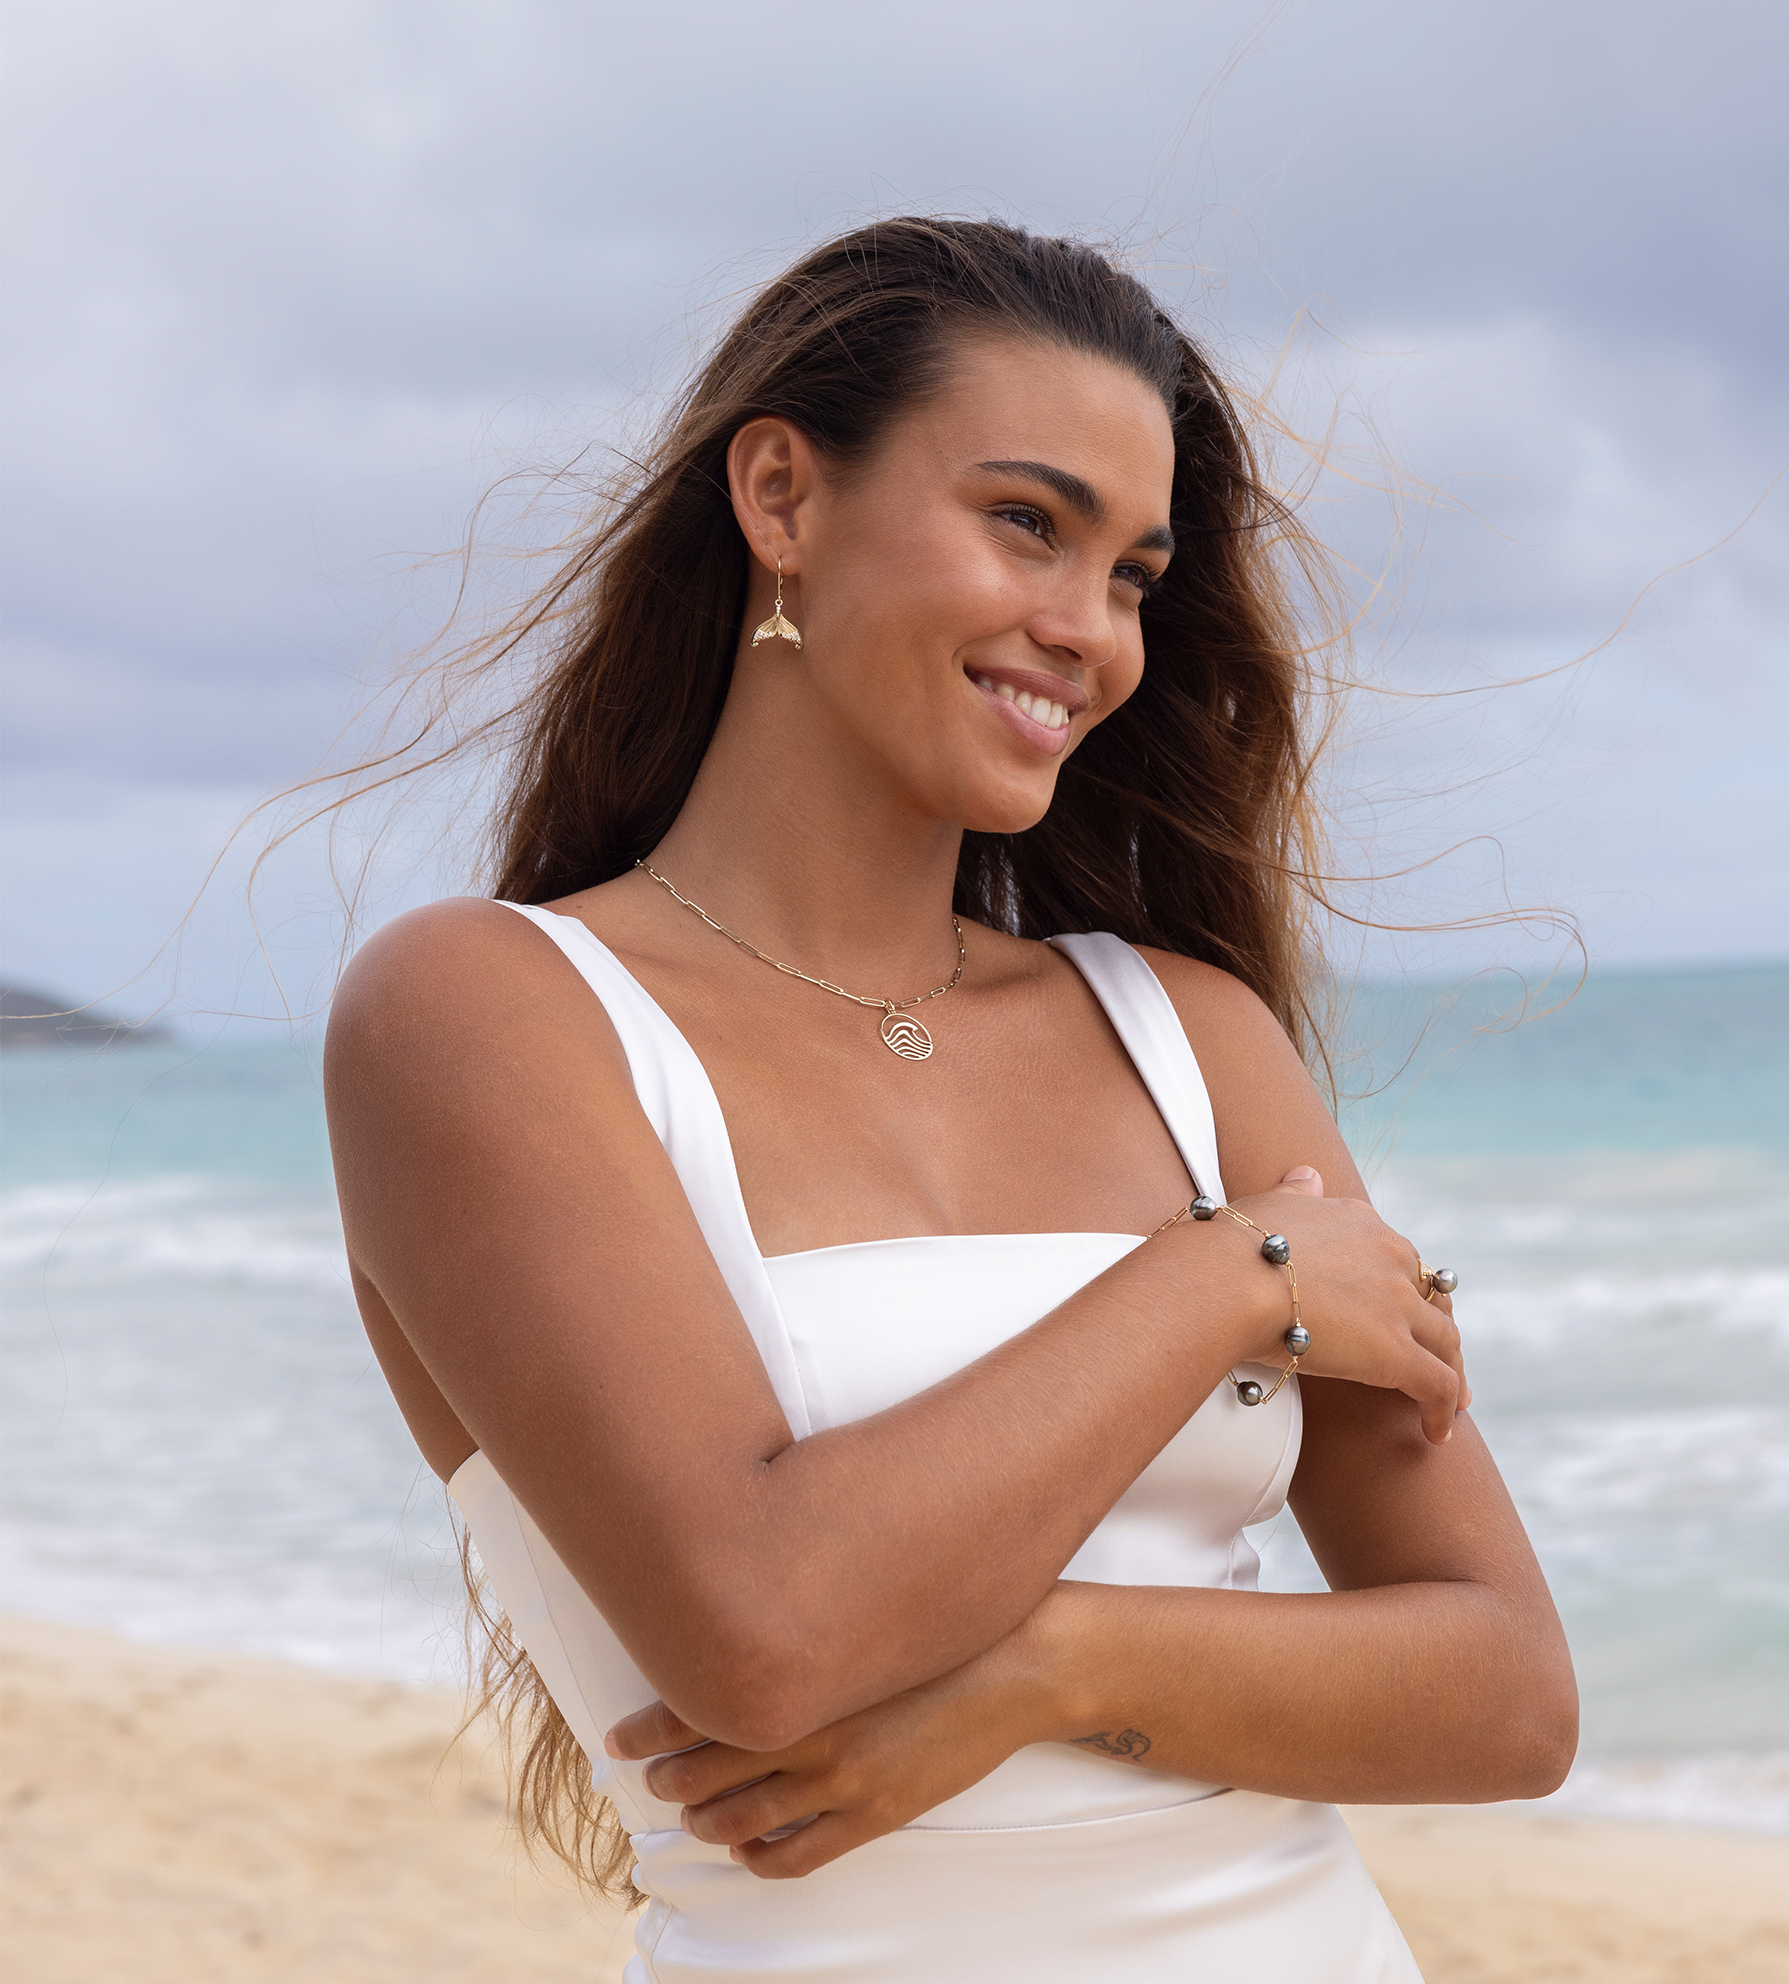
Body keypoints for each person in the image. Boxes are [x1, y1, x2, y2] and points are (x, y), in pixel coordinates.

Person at [323, 217, 1577, 1982]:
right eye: (1026, 523)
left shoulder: (1189, 1037)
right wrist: (1230, 1280)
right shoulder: (488, 1014)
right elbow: (765, 1633)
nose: (1089, 633)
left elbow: (1509, 1696)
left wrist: (1049, 1670)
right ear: (782, 496)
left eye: (1133, 575)